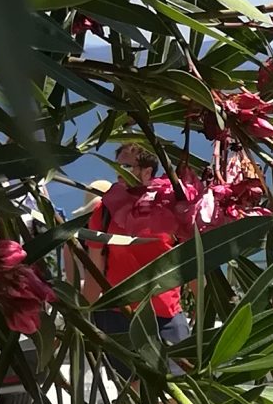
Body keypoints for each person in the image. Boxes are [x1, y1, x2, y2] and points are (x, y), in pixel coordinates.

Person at [82, 141, 191, 347]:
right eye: (116, 166)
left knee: (180, 368)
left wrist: (202, 312)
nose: (119, 172)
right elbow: (95, 271)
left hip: (166, 318)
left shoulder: (172, 207)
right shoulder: (104, 211)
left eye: (126, 167)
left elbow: (191, 264)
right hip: (117, 316)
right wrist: (82, 316)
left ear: (147, 172)